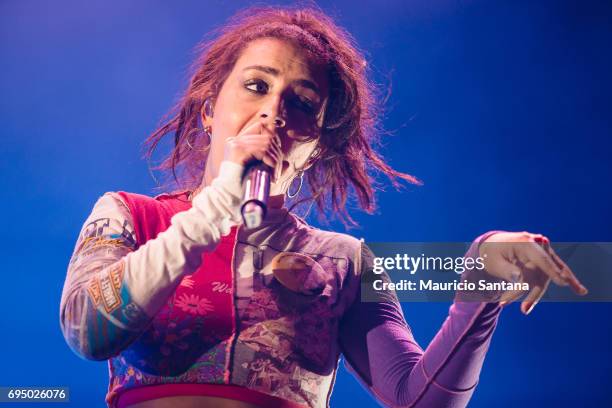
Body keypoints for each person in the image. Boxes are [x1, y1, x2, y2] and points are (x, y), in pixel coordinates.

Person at [59, 6, 588, 408]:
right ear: (207, 107)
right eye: (256, 86)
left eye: (302, 102)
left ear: (316, 146)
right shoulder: (130, 216)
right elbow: (88, 330)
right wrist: (215, 206)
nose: (272, 111)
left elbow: (417, 399)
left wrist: (481, 282)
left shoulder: (343, 262)